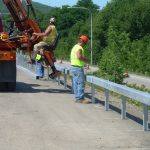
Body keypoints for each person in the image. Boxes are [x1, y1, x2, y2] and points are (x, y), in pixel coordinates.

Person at [70, 35, 91, 104]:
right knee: (81, 83)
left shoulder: (75, 47)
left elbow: (77, 58)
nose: (85, 45)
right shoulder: (79, 48)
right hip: (78, 68)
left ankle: (77, 97)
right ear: (83, 42)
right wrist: (86, 59)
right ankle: (80, 98)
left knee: (76, 83)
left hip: (73, 67)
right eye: (85, 43)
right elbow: (79, 57)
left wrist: (83, 62)